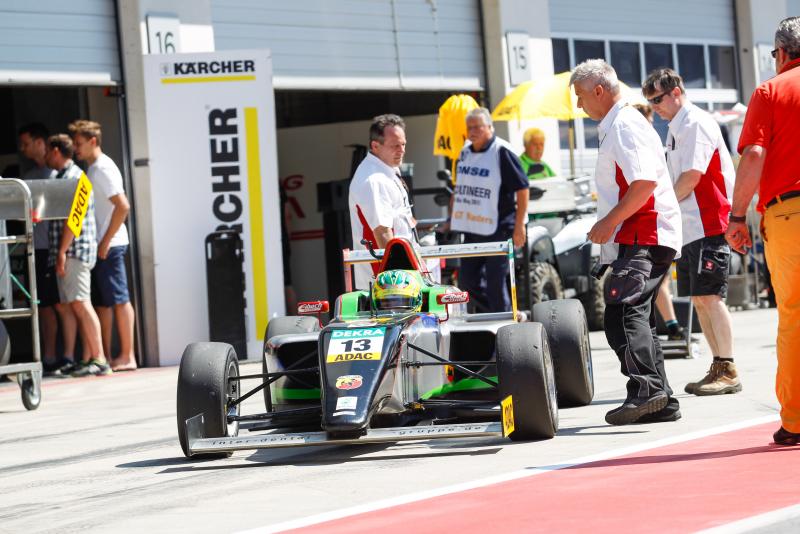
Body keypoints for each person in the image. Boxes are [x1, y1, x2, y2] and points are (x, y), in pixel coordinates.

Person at [571, 59, 682, 425]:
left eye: (581, 96)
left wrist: (608, 223)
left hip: (645, 231)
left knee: (623, 312)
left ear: (599, 90)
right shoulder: (620, 124)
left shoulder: (624, 125)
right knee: (635, 314)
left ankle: (648, 391)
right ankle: (660, 398)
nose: (579, 105)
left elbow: (644, 183)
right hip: (643, 232)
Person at [726, 16, 800, 446]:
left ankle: (796, 420)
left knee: (794, 316)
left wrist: (737, 217)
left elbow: (754, 154)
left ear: (782, 53)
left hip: (790, 215)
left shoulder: (770, 91)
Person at [643, 68, 739, 396]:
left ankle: (728, 368)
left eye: (657, 99)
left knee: (710, 297)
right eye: (650, 101)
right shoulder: (676, 126)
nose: (654, 106)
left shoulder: (695, 122)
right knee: (699, 300)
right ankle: (720, 366)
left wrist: (662, 206)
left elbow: (692, 177)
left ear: (676, 92)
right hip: (691, 225)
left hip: (708, 221)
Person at [69, 120, 136, 372]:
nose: (75, 148)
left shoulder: (102, 168)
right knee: (105, 303)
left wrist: (106, 240)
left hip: (111, 245)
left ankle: (128, 356)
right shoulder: (94, 168)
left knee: (119, 300)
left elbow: (123, 206)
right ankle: (105, 356)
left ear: (93, 141)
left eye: (79, 143)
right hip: (102, 245)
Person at [450, 108, 529, 313]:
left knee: (496, 283)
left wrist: (519, 226)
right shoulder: (465, 151)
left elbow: (522, 189)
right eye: (469, 127)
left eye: (478, 127)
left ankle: (505, 323)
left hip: (499, 228)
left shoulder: (501, 151)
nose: (472, 131)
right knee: (467, 281)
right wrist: (451, 219)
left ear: (489, 127)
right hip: (472, 228)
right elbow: (460, 188)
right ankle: (502, 314)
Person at [44, 134, 109, 377]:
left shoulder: (75, 178)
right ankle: (88, 358)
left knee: (81, 302)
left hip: (75, 252)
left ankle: (100, 359)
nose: (45, 156)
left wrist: (61, 252)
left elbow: (75, 219)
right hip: (69, 252)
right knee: (74, 305)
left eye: (48, 151)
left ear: (56, 151)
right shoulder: (64, 176)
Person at [633, 103, 686, 341]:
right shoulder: (641, 144)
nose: (652, 125)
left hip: (660, 224)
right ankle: (670, 327)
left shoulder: (649, 144)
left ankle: (668, 327)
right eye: (649, 120)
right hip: (652, 225)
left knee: (658, 282)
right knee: (656, 282)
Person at [348, 114, 416, 290]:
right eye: (395, 146)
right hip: (386, 283)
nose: (402, 150)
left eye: (403, 144)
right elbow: (383, 232)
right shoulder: (373, 180)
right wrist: (399, 282)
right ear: (375, 146)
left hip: (398, 276)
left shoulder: (387, 169)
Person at [18, 123, 62, 369]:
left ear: (39, 142)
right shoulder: (28, 177)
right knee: (42, 305)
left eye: (26, 143)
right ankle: (49, 355)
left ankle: (62, 355)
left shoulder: (58, 174)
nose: (22, 149)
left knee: (60, 305)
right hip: (34, 247)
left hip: (53, 249)